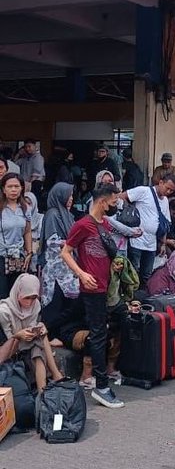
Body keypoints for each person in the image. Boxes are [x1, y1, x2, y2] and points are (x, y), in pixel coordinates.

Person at [61, 184, 125, 409]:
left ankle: (101, 382)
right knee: (98, 334)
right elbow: (65, 252)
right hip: (92, 288)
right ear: (102, 202)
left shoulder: (103, 224)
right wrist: (81, 273)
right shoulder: (83, 225)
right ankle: (101, 386)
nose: (115, 206)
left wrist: (114, 267)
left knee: (105, 330)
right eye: (113, 203)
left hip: (106, 287)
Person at [0, 272, 63, 389]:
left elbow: (32, 327)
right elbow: (7, 342)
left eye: (33, 298)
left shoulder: (36, 305)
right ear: (18, 293)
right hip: (11, 348)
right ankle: (55, 376)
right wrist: (19, 335)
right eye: (26, 298)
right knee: (38, 342)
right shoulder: (4, 311)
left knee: (38, 341)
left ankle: (43, 391)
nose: (29, 302)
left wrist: (39, 329)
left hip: (29, 345)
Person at [120, 175, 175, 287]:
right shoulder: (144, 191)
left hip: (151, 243)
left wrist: (163, 244)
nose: (168, 191)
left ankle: (142, 299)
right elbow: (122, 196)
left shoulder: (165, 201)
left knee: (146, 274)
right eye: (167, 188)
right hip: (137, 240)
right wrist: (130, 213)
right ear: (161, 182)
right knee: (133, 272)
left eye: (171, 190)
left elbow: (165, 224)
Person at [39, 183, 79, 332]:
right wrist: (71, 243)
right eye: (69, 195)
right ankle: (49, 334)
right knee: (54, 301)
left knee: (65, 302)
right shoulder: (53, 214)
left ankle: (61, 333)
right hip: (55, 267)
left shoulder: (67, 215)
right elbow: (51, 241)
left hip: (67, 267)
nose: (71, 199)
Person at [0, 173, 32, 299]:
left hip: (19, 256)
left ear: (22, 188)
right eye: (10, 186)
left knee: (17, 294)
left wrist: (29, 252)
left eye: (16, 186)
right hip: (1, 256)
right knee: (2, 294)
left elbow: (28, 231)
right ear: (3, 189)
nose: (13, 190)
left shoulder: (25, 208)